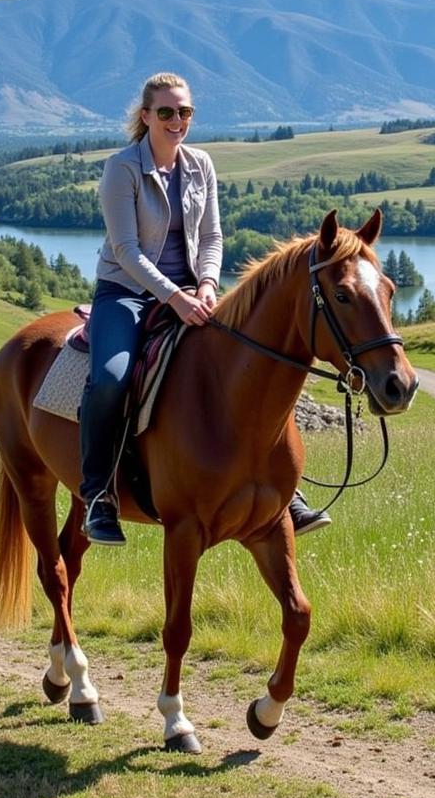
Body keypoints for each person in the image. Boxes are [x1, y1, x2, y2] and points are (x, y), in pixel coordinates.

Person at [80, 71, 331, 545]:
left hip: (197, 291)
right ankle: (97, 495)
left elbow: (213, 236)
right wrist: (174, 298)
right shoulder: (122, 169)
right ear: (146, 116)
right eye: (167, 112)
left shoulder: (201, 165)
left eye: (185, 112)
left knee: (255, 365)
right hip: (127, 292)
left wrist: (210, 284)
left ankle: (283, 488)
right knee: (111, 379)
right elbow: (126, 249)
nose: (177, 121)